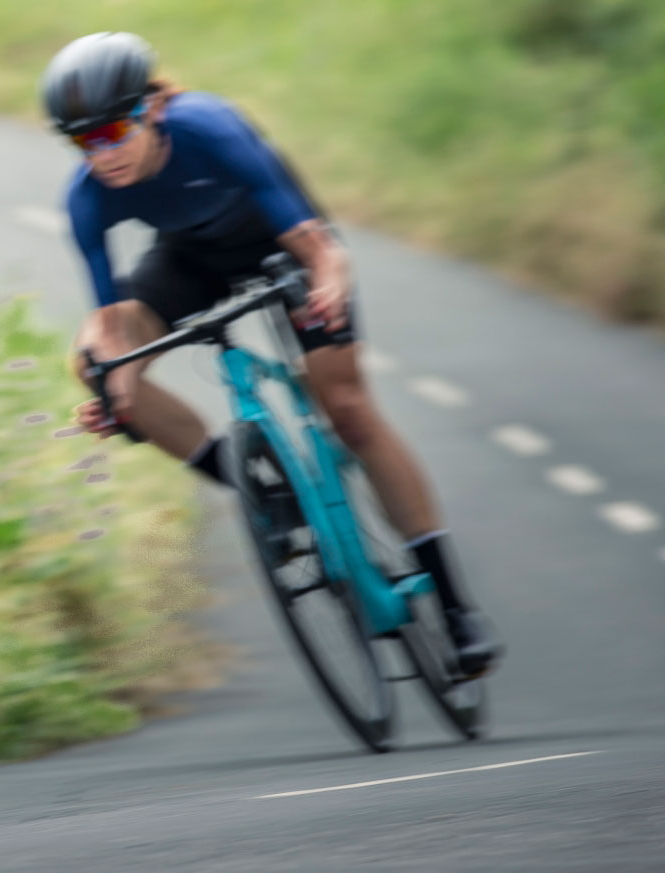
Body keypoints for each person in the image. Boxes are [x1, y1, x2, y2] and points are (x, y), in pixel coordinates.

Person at [43, 31, 501, 674]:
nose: (104, 153)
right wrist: (114, 391)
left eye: (115, 130)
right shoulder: (86, 197)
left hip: (285, 242)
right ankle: (260, 489)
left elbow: (321, 250)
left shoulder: (208, 127)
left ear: (151, 109)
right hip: (189, 258)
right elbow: (108, 322)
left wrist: (330, 281)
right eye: (84, 140)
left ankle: (454, 606)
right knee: (93, 365)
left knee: (347, 408)